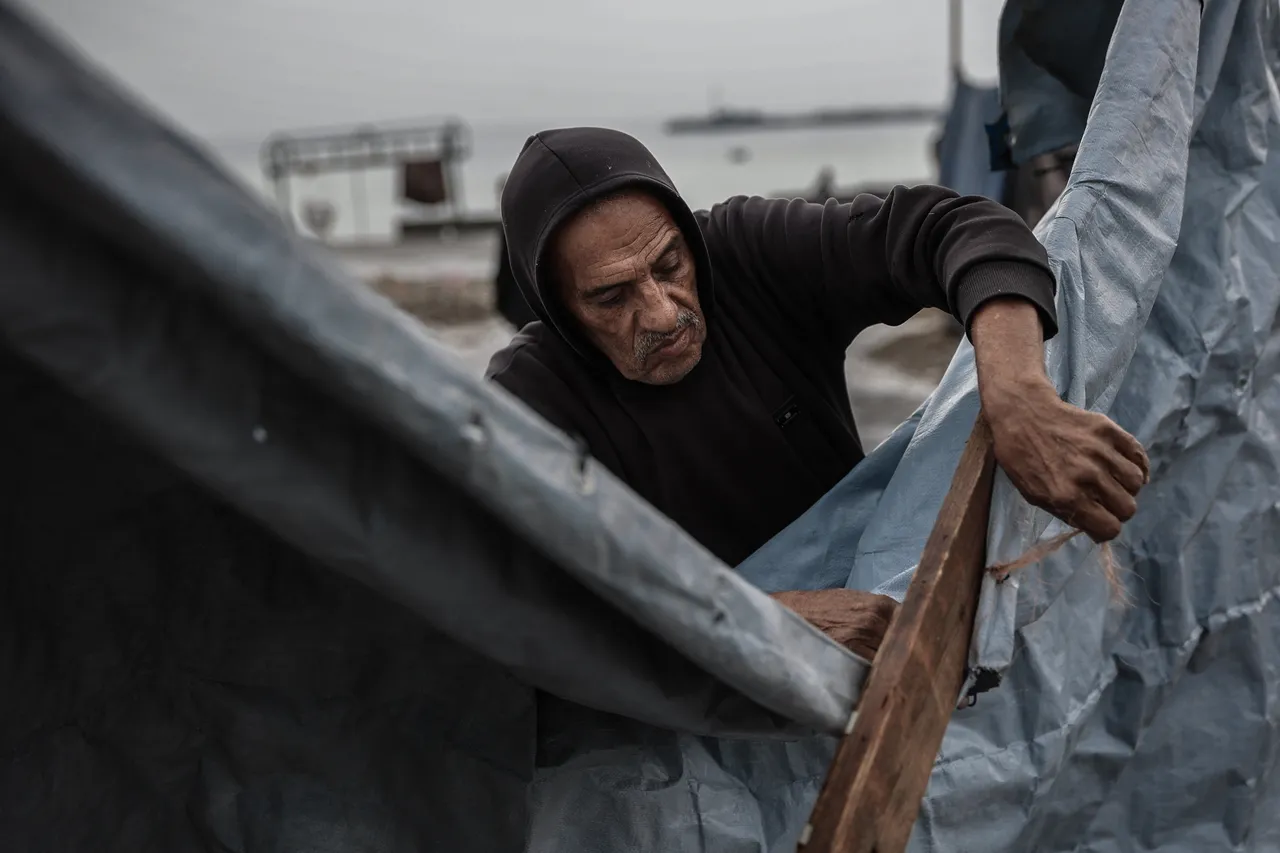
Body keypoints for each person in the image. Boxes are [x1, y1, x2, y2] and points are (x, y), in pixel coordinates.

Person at [486, 127, 1148, 659]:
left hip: (878, 618)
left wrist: (1019, 395)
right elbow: (528, 610)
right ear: (559, 311)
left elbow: (956, 229)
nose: (661, 314)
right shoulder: (530, 397)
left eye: (669, 266)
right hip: (692, 702)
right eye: (610, 296)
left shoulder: (745, 255)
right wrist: (760, 620)